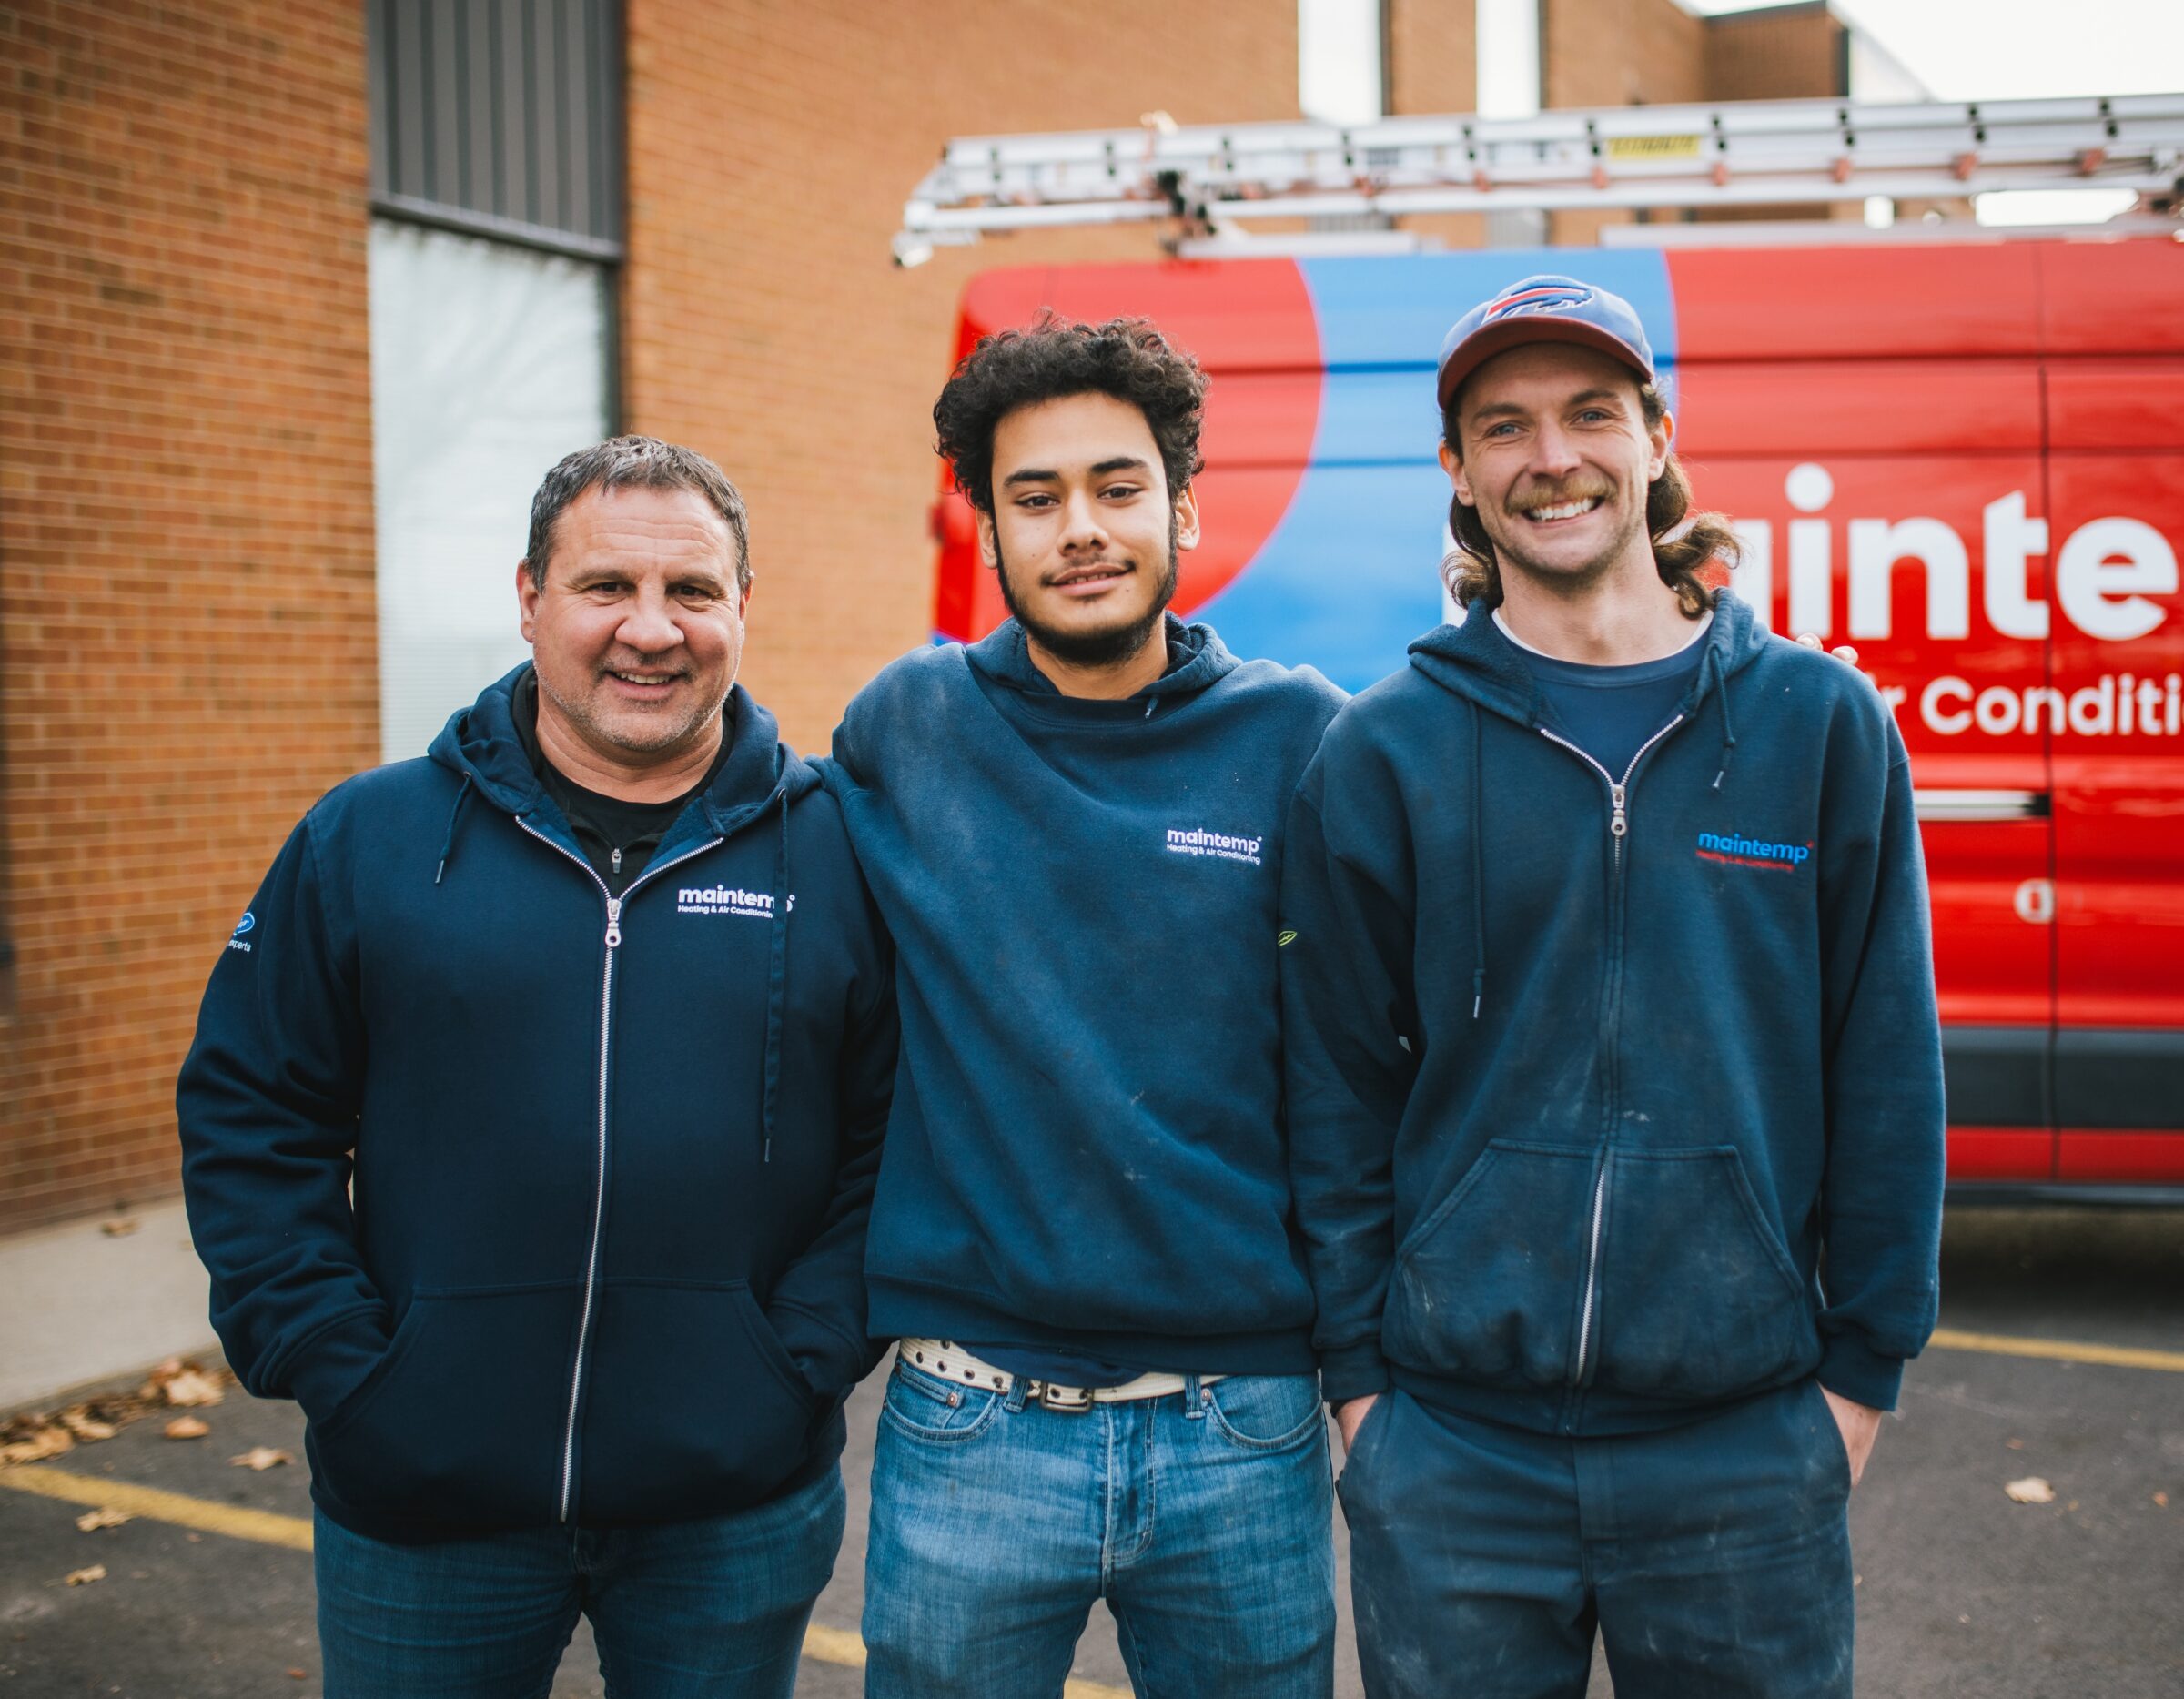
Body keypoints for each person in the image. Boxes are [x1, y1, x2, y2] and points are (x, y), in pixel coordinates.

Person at [1279, 276, 1946, 1698]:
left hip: (1746, 1453)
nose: (1552, 457)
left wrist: (1856, 1388)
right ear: (1457, 473)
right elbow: (1335, 1091)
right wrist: (1364, 1396)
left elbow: (1886, 1067)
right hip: (1453, 1460)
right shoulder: (1385, 750)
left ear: (1656, 435)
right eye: (1504, 426)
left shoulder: (1818, 724)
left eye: (1591, 413)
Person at [176, 436, 896, 1699]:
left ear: (743, 608)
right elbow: (254, 1115)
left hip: (730, 1505)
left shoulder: (835, 851)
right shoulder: (370, 840)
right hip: (424, 1506)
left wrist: (796, 1361)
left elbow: (889, 1137)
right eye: (605, 586)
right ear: (529, 599)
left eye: (692, 592)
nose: (651, 631)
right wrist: (342, 1364)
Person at [824, 315, 1344, 1698]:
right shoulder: (907, 728)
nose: (1081, 531)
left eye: (1117, 489)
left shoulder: (1304, 738)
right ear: (986, 529)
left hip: (1243, 1427)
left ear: (1180, 505)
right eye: (1034, 498)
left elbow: (1371, 1067)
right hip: (968, 1421)